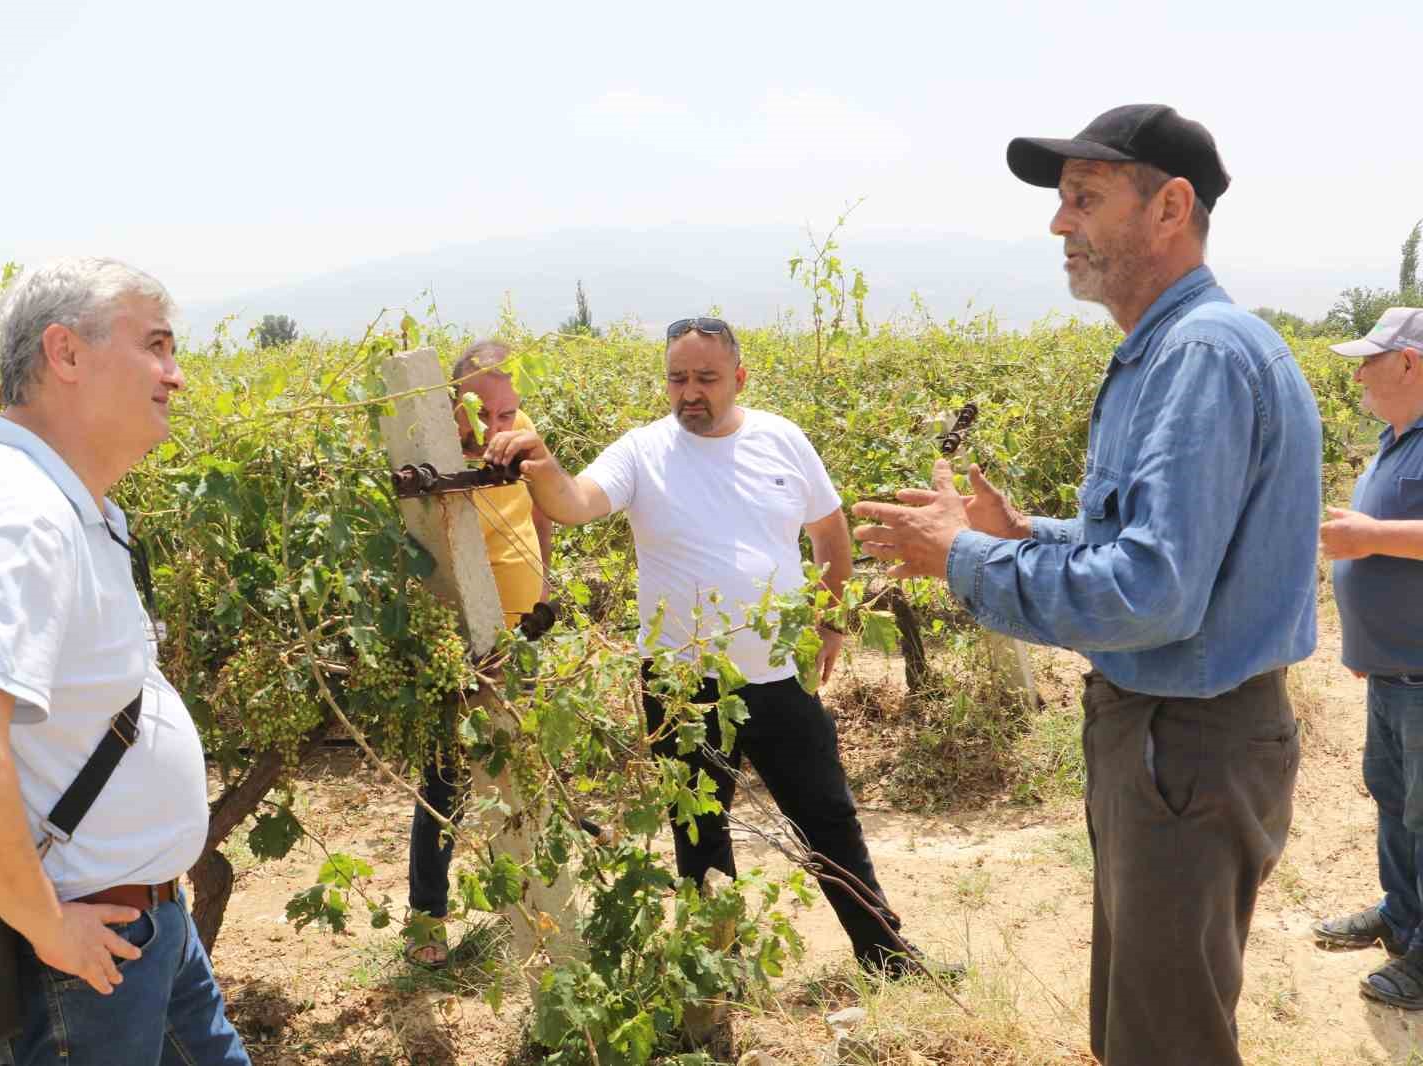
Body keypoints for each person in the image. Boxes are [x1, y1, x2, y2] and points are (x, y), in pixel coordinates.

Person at [851, 105, 1321, 1065]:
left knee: (1165, 1040)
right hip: (1175, 740)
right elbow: (1168, 542)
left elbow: (1154, 593)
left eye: (1085, 198)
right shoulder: (1178, 352)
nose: (1060, 224)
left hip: (1183, 744)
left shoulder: (1198, 356)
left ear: (1170, 207)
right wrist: (1028, 535)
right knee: (1149, 1020)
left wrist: (965, 560)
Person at [483, 316, 958, 977]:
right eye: (678, 378)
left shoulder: (782, 440)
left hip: (779, 674)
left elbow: (829, 532)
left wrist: (829, 622)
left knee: (828, 818)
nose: (691, 392)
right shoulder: (642, 451)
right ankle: (718, 972)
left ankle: (885, 956)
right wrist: (542, 463)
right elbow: (575, 502)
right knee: (700, 835)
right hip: (680, 686)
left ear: (738, 378)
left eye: (706, 378)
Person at [0, 259, 250, 1065]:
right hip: (87, 952)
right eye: (155, 346)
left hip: (136, 930)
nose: (177, 374)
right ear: (65, 353)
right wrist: (47, 924)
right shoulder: (23, 516)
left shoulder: (52, 502)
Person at [405, 339, 553, 967]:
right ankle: (426, 921)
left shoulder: (521, 436)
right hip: (463, 645)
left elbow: (543, 507)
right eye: (483, 413)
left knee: (526, 770)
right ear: (453, 402)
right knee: (446, 782)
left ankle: (531, 906)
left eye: (507, 413)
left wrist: (544, 579)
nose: (497, 427)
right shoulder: (431, 461)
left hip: (522, 635)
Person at [1310, 307, 1423, 1008]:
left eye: (1369, 360)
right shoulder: (1393, 440)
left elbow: (1383, 539)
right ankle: (1401, 915)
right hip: (1393, 671)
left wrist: (1373, 534)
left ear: (1410, 363)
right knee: (1393, 804)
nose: (1356, 374)